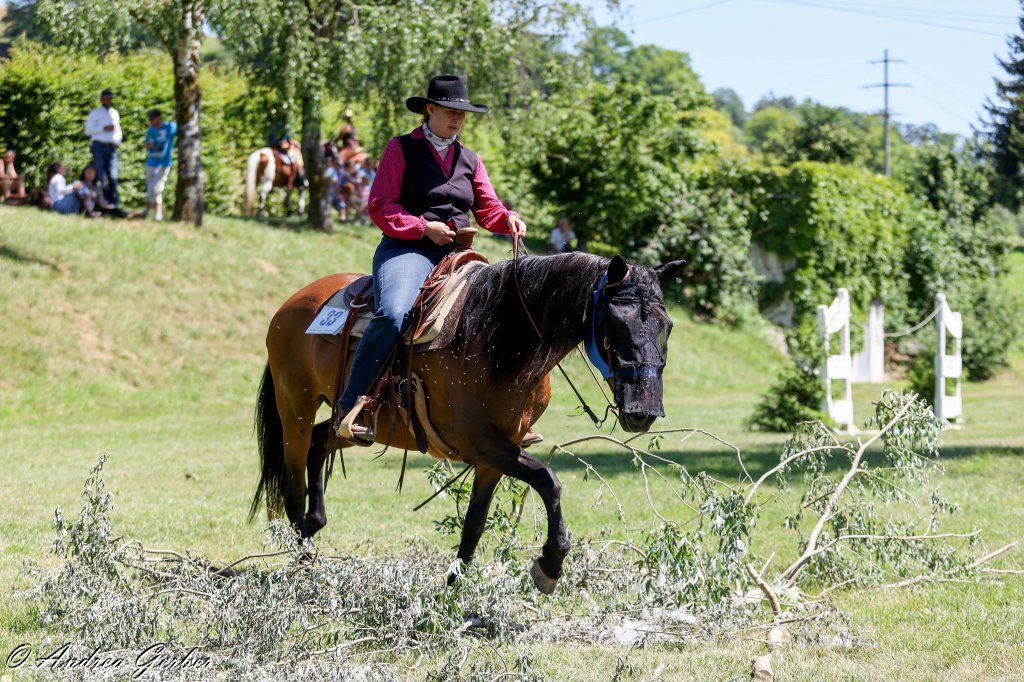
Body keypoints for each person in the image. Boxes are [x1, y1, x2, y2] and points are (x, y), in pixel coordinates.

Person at [336, 74, 527, 443]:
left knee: (508, 315)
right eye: (451, 111)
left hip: (459, 253)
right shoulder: (401, 148)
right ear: (430, 109)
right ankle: (353, 405)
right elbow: (380, 206)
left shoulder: (471, 159)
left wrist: (509, 219)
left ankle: (505, 412)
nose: (457, 119)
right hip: (408, 249)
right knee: (393, 313)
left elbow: (489, 209)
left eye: (463, 114)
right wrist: (424, 227)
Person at [84, 88, 122, 207]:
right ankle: (102, 202)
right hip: (99, 146)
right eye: (106, 98)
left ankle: (114, 203)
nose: (108, 100)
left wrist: (118, 141)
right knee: (101, 175)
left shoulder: (114, 113)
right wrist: (103, 128)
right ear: (102, 99)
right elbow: (87, 130)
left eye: (110, 98)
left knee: (113, 175)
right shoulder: (95, 113)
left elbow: (118, 130)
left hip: (112, 148)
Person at [144, 109, 177, 221]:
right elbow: (147, 143)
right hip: (151, 162)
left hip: (164, 163)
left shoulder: (170, 127)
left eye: (152, 119)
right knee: (151, 189)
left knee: (157, 188)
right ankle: (153, 214)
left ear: (158, 117)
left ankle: (152, 212)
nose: (150, 121)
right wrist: (148, 145)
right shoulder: (151, 130)